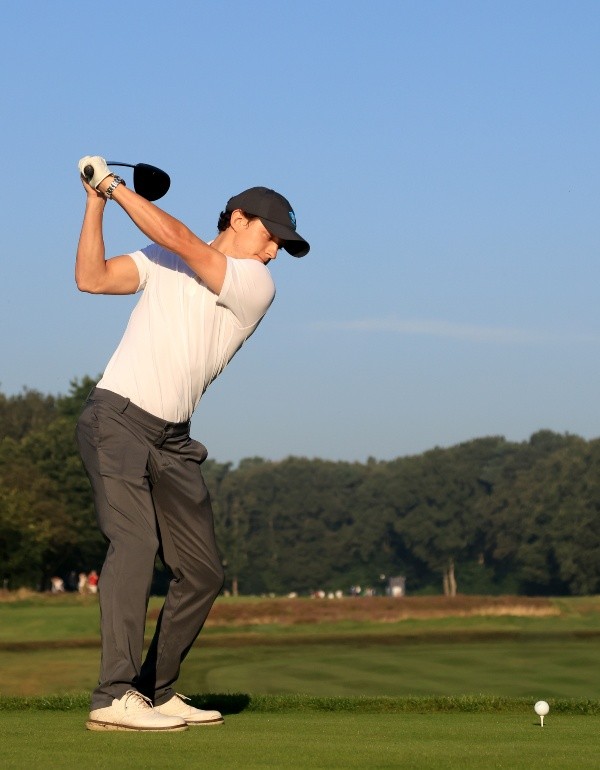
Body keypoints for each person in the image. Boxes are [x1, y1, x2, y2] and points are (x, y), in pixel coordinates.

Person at [74, 155, 310, 732]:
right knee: (133, 545)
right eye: (271, 236)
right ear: (238, 218)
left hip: (173, 440)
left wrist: (114, 184)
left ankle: (155, 689)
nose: (274, 250)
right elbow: (92, 278)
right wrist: (95, 202)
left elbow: (179, 238)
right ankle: (113, 697)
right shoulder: (164, 260)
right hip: (117, 421)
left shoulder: (255, 283)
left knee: (202, 571)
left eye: (282, 244)